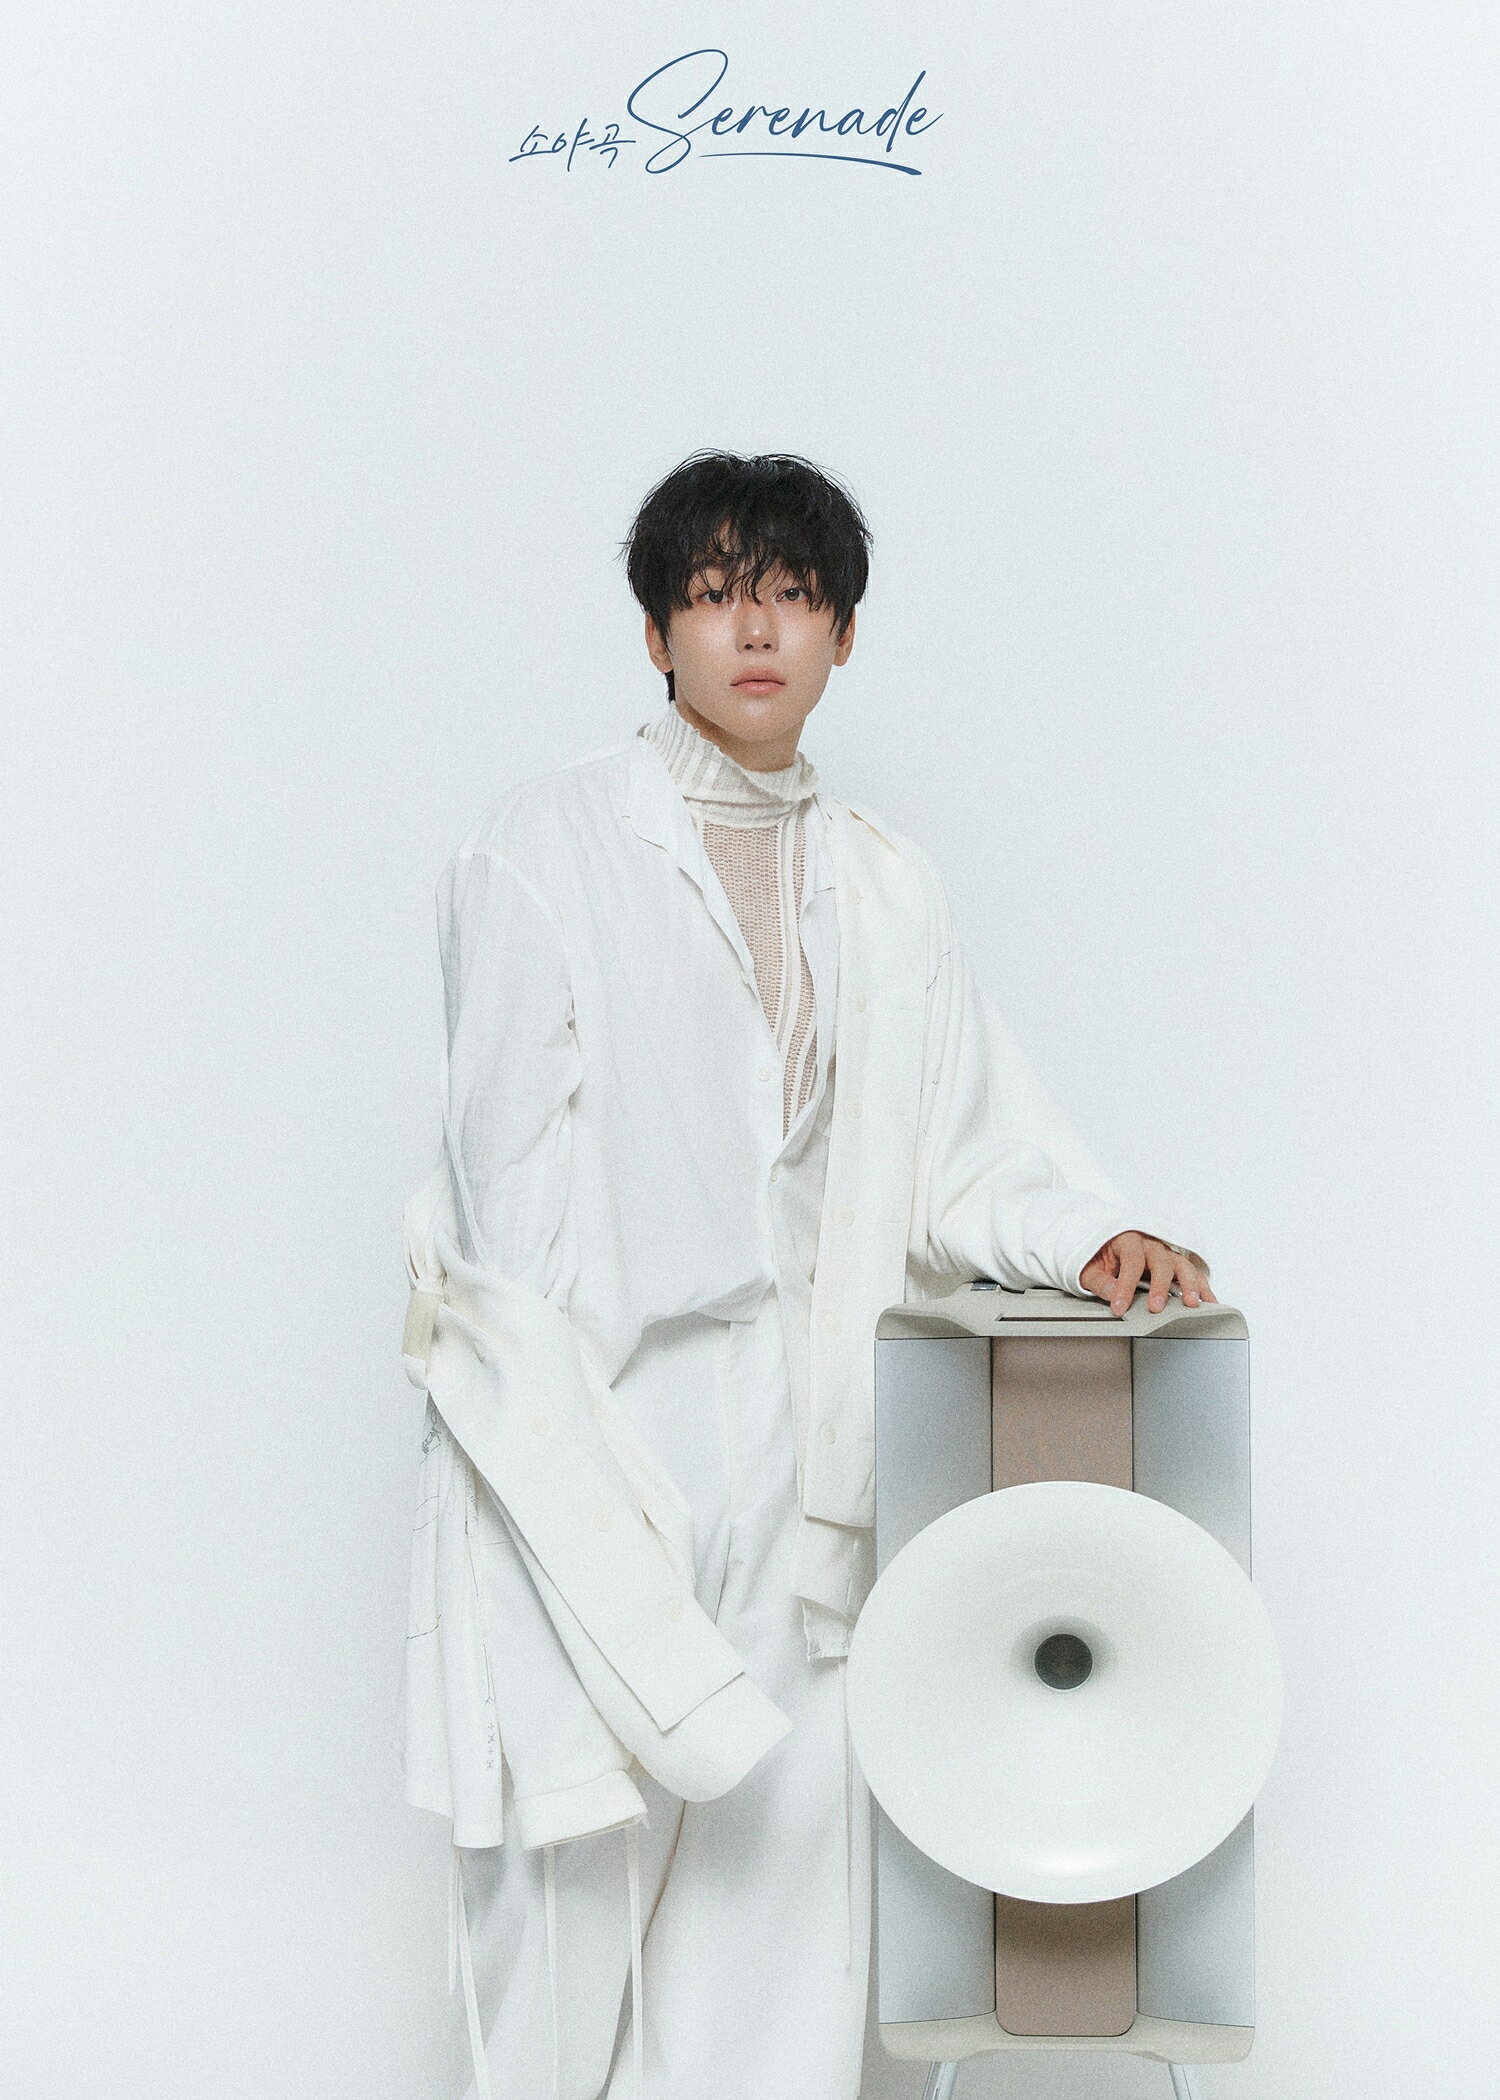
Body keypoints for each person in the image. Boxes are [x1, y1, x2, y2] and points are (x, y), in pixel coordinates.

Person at [398, 450, 1212, 2100]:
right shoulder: (546, 843)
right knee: (569, 1873)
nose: (754, 628)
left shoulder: (883, 881)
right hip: (594, 1417)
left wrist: (1085, 1233)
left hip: (808, 1427)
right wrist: (549, 1464)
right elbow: (500, 1206)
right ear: (656, 637)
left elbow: (958, 1144)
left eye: (790, 594)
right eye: (713, 595)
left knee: (776, 1877)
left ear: (843, 631)